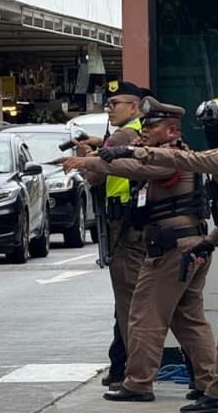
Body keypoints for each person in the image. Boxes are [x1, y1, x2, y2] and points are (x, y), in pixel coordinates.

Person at [98, 97, 218, 413]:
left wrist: (128, 150)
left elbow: (184, 161)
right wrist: (211, 242)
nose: (206, 132)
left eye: (210, 126)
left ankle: (216, 397)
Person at [57, 97, 217, 402]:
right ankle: (208, 382)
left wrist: (88, 160)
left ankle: (139, 382)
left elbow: (130, 167)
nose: (144, 129)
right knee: (189, 318)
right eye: (143, 124)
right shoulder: (175, 154)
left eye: (152, 125)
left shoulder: (168, 157)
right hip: (188, 244)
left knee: (143, 316)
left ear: (171, 131)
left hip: (171, 249)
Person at [72, 81, 147, 385]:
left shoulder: (122, 134)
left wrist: (86, 157)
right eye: (108, 103)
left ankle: (131, 373)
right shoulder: (140, 129)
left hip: (126, 226)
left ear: (134, 107)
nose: (110, 108)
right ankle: (122, 365)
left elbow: (93, 176)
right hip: (137, 224)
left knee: (128, 303)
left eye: (116, 103)